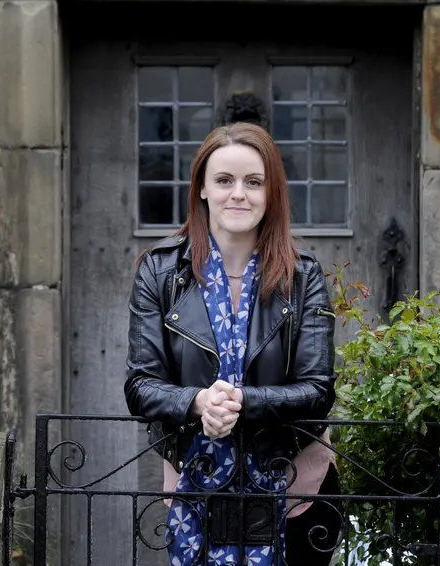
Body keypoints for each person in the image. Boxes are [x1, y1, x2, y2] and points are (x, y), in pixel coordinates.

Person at [124, 122, 341, 565]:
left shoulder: (304, 277)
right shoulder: (159, 272)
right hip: (195, 479)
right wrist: (199, 403)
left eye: (254, 182)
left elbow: (317, 390)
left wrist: (239, 402)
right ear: (202, 189)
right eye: (224, 180)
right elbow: (141, 385)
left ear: (271, 192)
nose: (238, 194)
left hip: (294, 483)